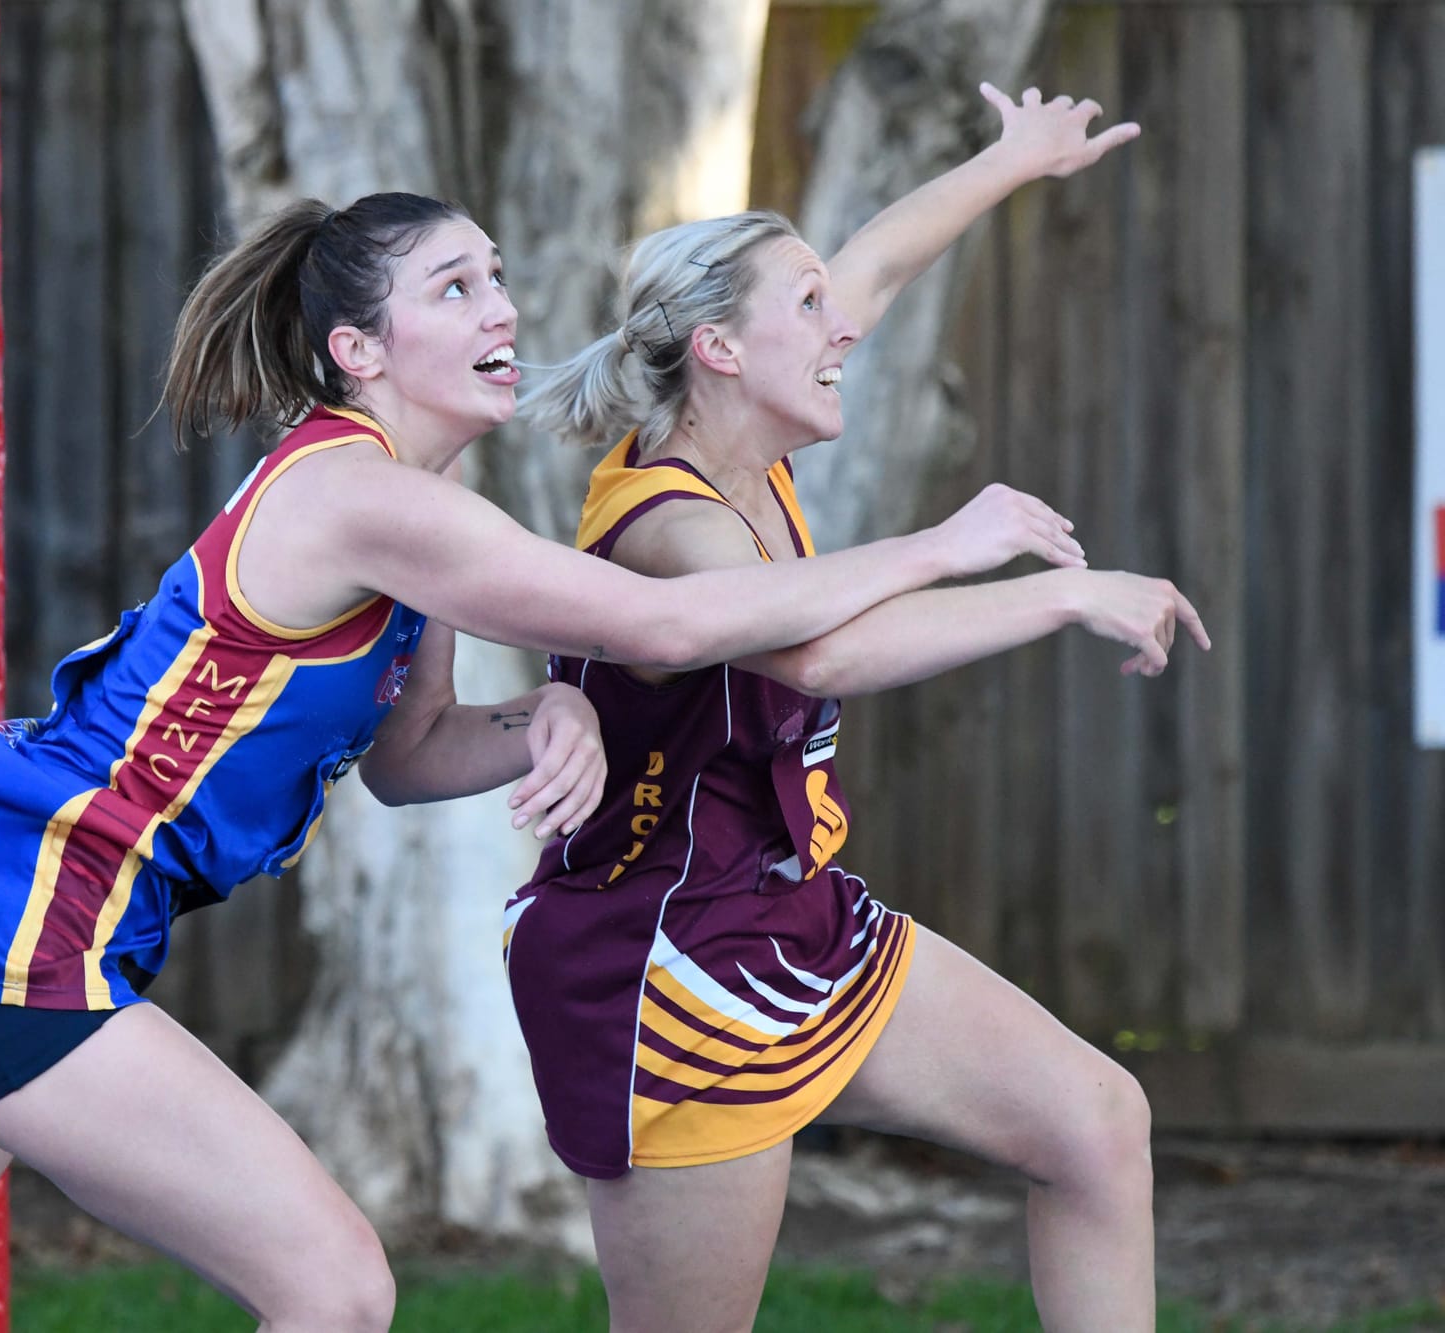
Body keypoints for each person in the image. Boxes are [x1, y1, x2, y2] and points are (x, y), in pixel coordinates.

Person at [0, 189, 1114, 1333]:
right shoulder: (364, 497)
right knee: (335, 1288)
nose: (501, 309)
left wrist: (549, 717)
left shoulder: (411, 505)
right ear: (357, 351)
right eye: (453, 288)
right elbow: (670, 623)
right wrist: (944, 545)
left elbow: (411, 753)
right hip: (12, 914)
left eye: (496, 277)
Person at [505, 86, 1206, 1333]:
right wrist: (1023, 578)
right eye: (807, 306)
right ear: (720, 350)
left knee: (1097, 1123)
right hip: (667, 959)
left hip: (790, 913)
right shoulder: (666, 522)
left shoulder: (748, 447)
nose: (843, 326)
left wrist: (1011, 158)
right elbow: (817, 653)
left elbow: (875, 263)